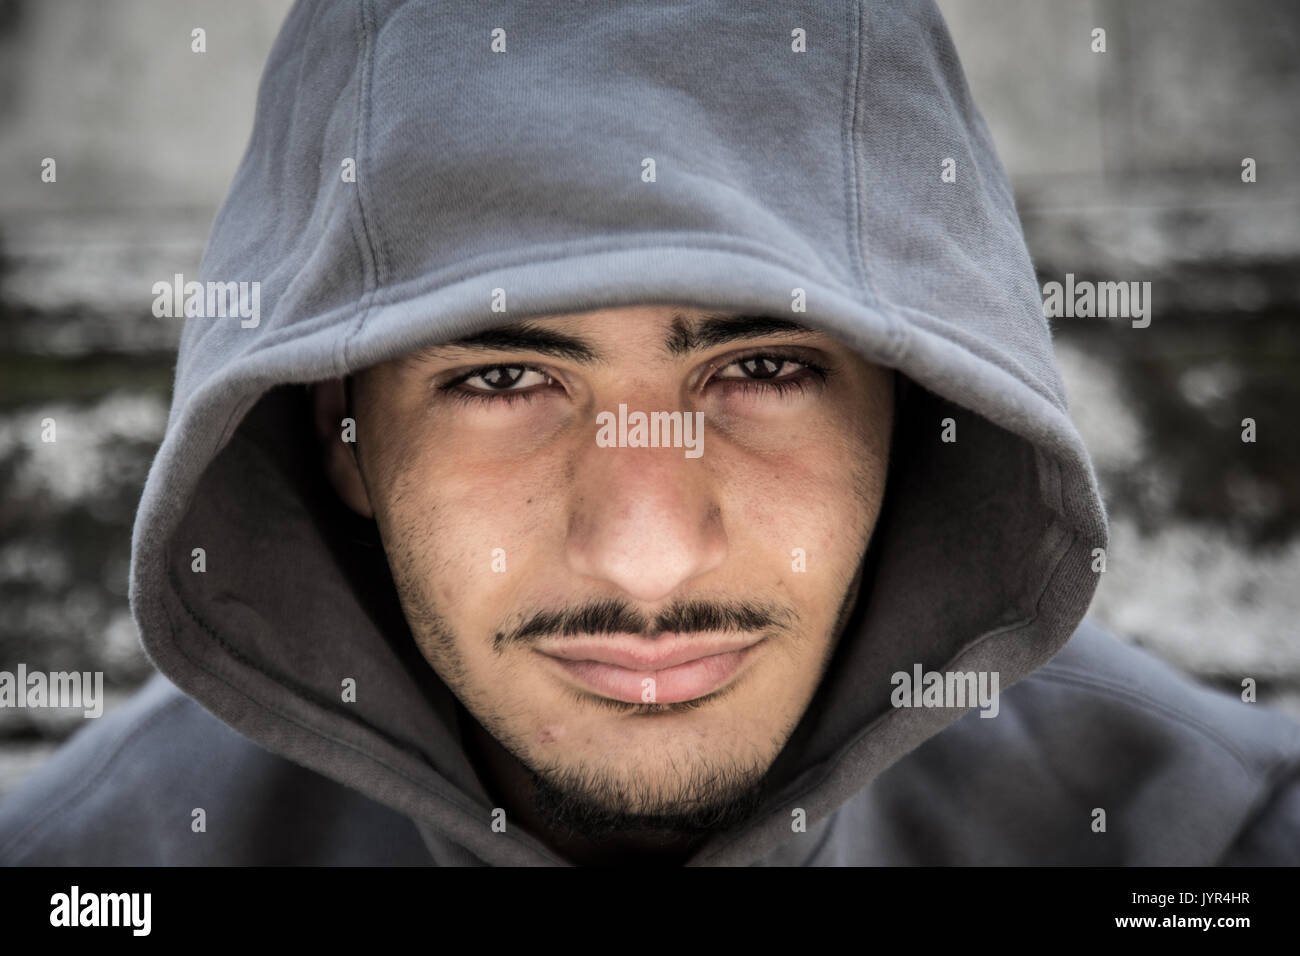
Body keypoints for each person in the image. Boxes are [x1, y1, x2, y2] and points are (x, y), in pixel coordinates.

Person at [1, 0, 1296, 866]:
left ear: (919, 404)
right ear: (342, 434)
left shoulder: (1207, 842)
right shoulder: (91, 870)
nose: (646, 559)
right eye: (506, 380)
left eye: (768, 366)